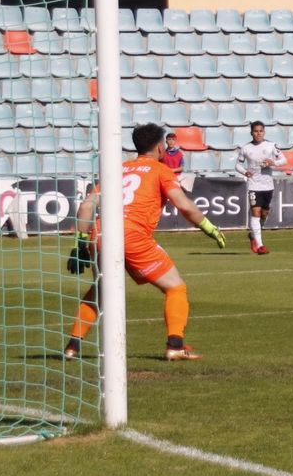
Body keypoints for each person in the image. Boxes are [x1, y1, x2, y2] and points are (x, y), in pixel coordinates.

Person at [63, 123, 227, 362]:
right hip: (132, 234)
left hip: (100, 233)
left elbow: (87, 205)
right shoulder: (161, 170)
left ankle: (72, 346)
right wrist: (209, 228)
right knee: (175, 287)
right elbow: (183, 204)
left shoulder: (118, 169)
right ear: (160, 147)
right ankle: (175, 345)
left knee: (101, 289)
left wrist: (80, 243)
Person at [236, 120, 285, 255]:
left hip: (268, 185)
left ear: (264, 132)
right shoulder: (246, 148)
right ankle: (260, 246)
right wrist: (245, 172)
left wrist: (273, 162)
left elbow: (284, 160)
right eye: (256, 131)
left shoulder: (271, 145)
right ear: (251, 132)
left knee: (264, 214)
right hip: (254, 184)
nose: (258, 134)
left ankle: (253, 236)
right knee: (255, 212)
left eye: (261, 131)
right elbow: (238, 165)